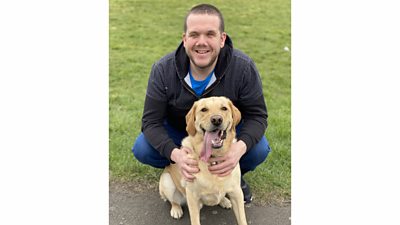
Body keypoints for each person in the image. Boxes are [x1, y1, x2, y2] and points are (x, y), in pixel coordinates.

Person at [132, 3, 270, 203]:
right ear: (185, 38)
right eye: (194, 34)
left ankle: (230, 176)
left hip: (223, 136)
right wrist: (176, 155)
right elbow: (150, 122)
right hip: (181, 133)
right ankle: (180, 174)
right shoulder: (163, 69)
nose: (201, 42)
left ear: (222, 39)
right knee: (143, 148)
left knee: (258, 149)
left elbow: (258, 116)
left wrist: (237, 150)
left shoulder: (244, 68)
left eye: (210, 34)